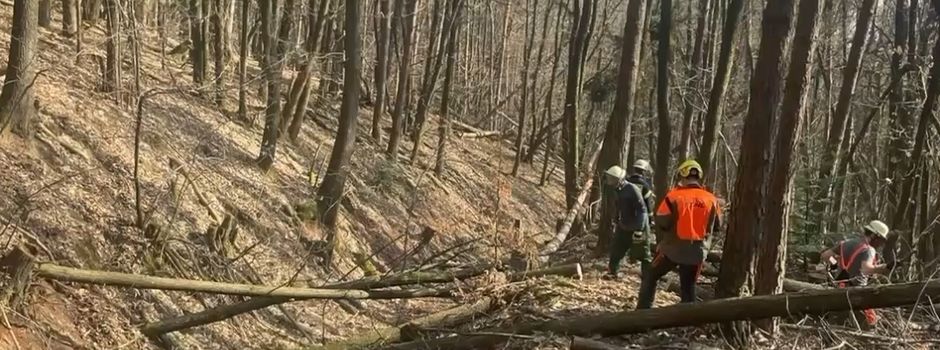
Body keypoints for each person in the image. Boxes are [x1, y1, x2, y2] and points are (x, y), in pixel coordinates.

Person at [636, 159, 721, 309]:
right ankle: (687, 319)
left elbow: (662, 221)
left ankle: (643, 311)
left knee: (650, 275)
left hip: (672, 249)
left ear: (682, 175)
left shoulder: (673, 196)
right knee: (688, 287)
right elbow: (717, 226)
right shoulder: (712, 199)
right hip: (697, 251)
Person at [820, 220, 892, 329]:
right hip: (857, 295)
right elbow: (866, 269)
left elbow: (825, 256)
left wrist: (835, 264)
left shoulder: (846, 243)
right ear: (874, 236)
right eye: (881, 240)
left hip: (838, 289)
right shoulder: (869, 250)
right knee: (870, 325)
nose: (881, 244)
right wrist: (885, 267)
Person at [602, 160, 655, 280]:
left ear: (619, 179)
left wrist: (639, 229)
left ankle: (648, 278)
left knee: (644, 254)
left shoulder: (632, 189)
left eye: (613, 179)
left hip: (638, 227)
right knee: (616, 250)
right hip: (624, 225)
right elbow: (619, 206)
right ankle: (612, 272)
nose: (610, 181)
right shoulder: (618, 190)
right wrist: (616, 220)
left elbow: (642, 210)